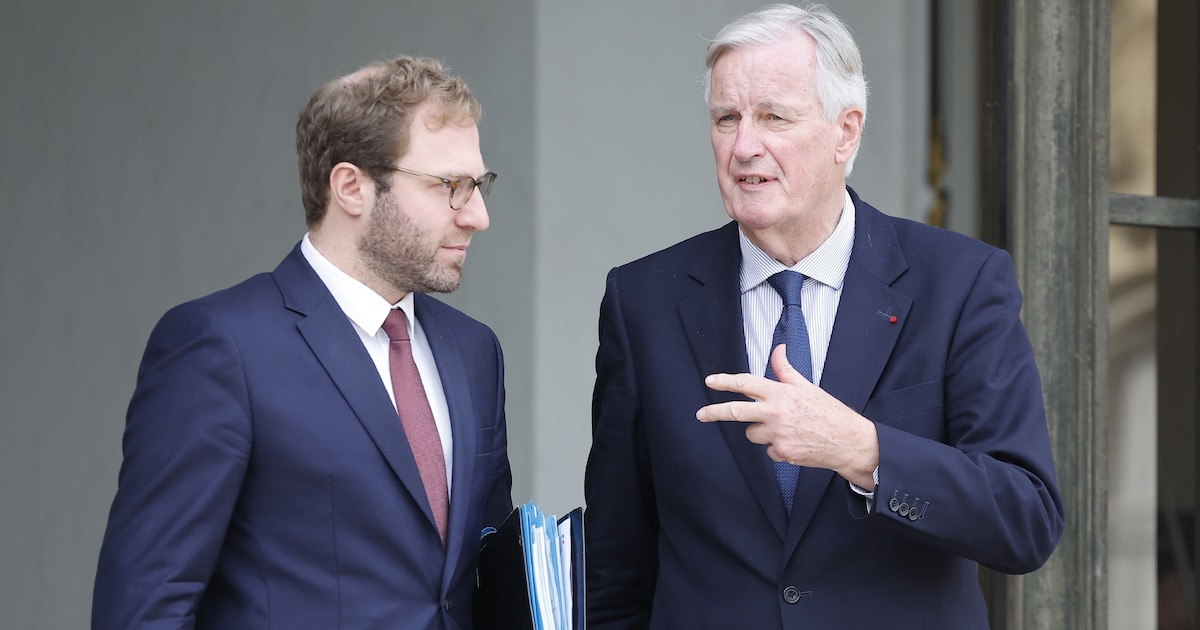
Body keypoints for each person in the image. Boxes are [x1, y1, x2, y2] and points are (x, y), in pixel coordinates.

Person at [583, 3, 1065, 628]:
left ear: (846, 131)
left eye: (774, 117)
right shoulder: (642, 299)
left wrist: (864, 450)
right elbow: (614, 563)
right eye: (727, 118)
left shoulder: (960, 283)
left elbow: (1025, 520)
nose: (744, 146)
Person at [93, 56, 513, 629]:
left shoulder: (474, 351)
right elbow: (145, 605)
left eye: (479, 185)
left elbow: (484, 579)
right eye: (450, 186)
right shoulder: (223, 348)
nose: (478, 216)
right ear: (351, 187)